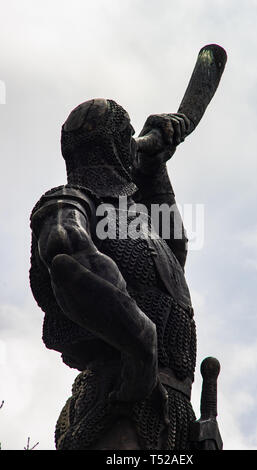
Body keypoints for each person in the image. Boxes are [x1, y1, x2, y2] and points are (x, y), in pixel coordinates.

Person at [30, 98, 197, 450]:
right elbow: (66, 249)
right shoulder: (68, 202)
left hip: (178, 410)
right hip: (115, 402)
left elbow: (173, 254)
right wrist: (139, 340)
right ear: (121, 144)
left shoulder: (133, 221)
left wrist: (153, 169)